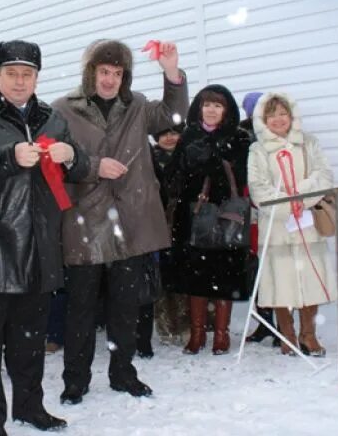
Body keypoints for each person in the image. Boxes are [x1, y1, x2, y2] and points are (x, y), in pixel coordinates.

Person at [0, 40, 90, 436]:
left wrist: (71, 156)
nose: (19, 81)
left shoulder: (53, 117)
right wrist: (8, 155)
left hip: (41, 245)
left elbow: (78, 169)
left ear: (37, 77)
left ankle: (30, 407)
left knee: (31, 340)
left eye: (27, 74)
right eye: (11, 73)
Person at [51, 39, 187, 404]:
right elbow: (55, 159)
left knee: (126, 306)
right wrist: (95, 166)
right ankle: (75, 380)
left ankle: (123, 373)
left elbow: (174, 116)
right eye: (103, 71)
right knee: (80, 308)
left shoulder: (137, 106)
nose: (110, 80)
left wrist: (171, 71)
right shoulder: (63, 109)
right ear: (90, 71)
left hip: (130, 220)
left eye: (117, 73)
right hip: (84, 220)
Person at [247, 92, 335, 356]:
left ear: (291, 115)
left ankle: (309, 335)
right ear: (263, 119)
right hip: (277, 226)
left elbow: (323, 175)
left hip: (307, 224)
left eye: (282, 113)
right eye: (271, 114)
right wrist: (288, 202)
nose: (278, 119)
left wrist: (301, 195)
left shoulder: (309, 143)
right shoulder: (257, 149)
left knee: (310, 280)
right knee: (280, 282)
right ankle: (288, 336)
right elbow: (258, 189)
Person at [166, 85, 251, 355]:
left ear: (226, 110)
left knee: (224, 276)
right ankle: (197, 333)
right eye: (206, 104)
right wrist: (189, 162)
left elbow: (242, 177)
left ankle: (222, 335)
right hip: (193, 216)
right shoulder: (189, 134)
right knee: (194, 277)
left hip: (226, 216)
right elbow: (173, 175)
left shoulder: (238, 138)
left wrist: (214, 159)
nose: (211, 110)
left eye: (218, 105)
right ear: (199, 108)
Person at [239, 92, 279, 347]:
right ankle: (265, 322)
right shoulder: (242, 134)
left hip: (274, 204)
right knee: (255, 267)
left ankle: (282, 326)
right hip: (248, 204)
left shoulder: (278, 134)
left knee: (277, 267)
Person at [151, 124, 189, 347]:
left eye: (174, 132)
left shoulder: (188, 155)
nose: (169, 138)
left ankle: (185, 324)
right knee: (161, 276)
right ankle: (165, 324)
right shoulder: (150, 157)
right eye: (163, 133)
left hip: (183, 220)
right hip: (157, 221)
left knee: (182, 273)